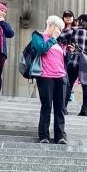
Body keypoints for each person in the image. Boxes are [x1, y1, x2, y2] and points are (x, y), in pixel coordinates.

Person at [31, 15, 67, 144]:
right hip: (45, 76)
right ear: (51, 25)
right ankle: (44, 135)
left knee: (60, 107)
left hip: (60, 77)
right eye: (58, 28)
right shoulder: (37, 36)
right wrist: (53, 38)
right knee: (47, 105)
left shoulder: (57, 42)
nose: (60, 31)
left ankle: (60, 135)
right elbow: (41, 48)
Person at [58, 13, 87, 116]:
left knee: (68, 84)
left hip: (74, 61)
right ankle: (84, 110)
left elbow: (60, 36)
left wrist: (67, 44)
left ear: (80, 21)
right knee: (86, 86)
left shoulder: (75, 30)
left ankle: (63, 108)